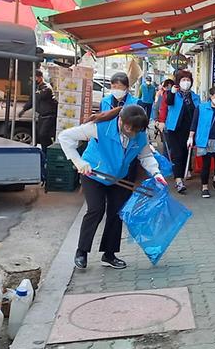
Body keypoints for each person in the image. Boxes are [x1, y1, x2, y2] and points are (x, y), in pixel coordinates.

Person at [58, 105, 167, 270]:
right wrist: (79, 162)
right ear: (121, 121)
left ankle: (109, 255)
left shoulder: (140, 135)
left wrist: (156, 173)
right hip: (93, 174)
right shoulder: (99, 127)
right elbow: (65, 137)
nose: (132, 133)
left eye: (136, 131)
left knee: (116, 213)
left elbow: (145, 155)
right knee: (96, 209)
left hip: (118, 177)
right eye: (129, 129)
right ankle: (82, 251)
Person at [157, 70, 199, 194]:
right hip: (174, 129)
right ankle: (178, 180)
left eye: (188, 80)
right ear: (178, 82)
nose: (186, 82)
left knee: (186, 153)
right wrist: (161, 121)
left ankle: (184, 172)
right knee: (177, 154)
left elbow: (198, 112)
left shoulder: (195, 96)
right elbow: (167, 104)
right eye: (183, 80)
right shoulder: (172, 94)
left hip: (190, 130)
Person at [18, 69, 57, 151]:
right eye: (32, 78)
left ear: (40, 77)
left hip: (49, 116)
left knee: (43, 134)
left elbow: (40, 96)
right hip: (42, 116)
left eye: (34, 78)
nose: (33, 80)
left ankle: (48, 151)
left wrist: (34, 91)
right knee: (40, 135)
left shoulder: (47, 87)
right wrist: (23, 110)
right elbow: (31, 101)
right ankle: (45, 152)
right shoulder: (36, 88)